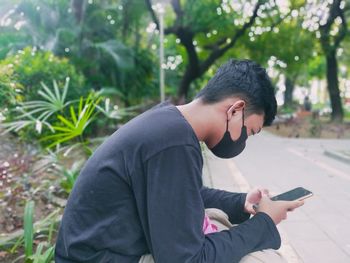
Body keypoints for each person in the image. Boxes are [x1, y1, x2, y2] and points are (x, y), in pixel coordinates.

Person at [55, 59, 304, 263]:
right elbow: (187, 260)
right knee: (263, 260)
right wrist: (265, 222)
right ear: (235, 110)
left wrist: (241, 203)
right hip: (99, 259)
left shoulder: (168, 125)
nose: (243, 141)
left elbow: (182, 194)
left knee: (218, 220)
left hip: (99, 253)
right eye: (249, 131)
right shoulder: (173, 141)